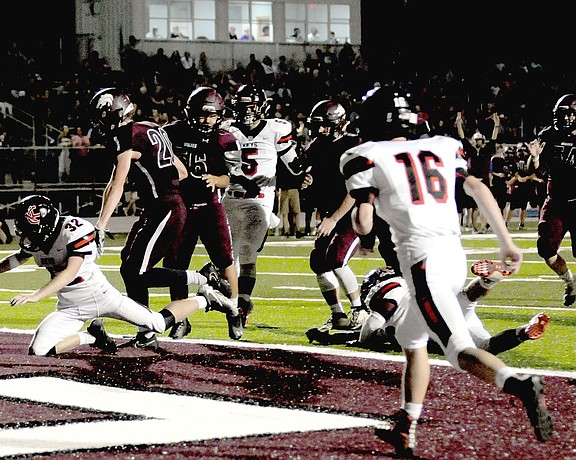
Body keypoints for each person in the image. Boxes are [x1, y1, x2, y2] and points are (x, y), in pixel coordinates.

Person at [340, 85, 553, 457]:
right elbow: (474, 186)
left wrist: (368, 202)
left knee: (458, 350)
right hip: (453, 255)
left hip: (423, 263)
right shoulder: (442, 145)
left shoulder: (365, 155)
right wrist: (506, 241)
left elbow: (362, 225)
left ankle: (517, 382)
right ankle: (407, 425)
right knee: (411, 338)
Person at [0, 195, 237, 357]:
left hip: (103, 298)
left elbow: (71, 271)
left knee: (155, 323)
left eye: (29, 228)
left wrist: (36, 295)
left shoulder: (74, 229)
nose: (25, 235)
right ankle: (95, 338)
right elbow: (16, 258)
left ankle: (206, 299)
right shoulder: (35, 239)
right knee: (40, 351)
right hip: (70, 307)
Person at [89, 88, 240, 349]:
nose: (100, 122)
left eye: (102, 116)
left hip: (163, 208)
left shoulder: (124, 135)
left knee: (136, 271)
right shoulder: (150, 127)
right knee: (130, 266)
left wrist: (101, 225)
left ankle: (204, 279)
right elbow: (180, 170)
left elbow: (118, 183)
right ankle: (145, 330)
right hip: (165, 206)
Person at [307, 261, 551, 354]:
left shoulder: (391, 289)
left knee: (466, 313)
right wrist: (332, 338)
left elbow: (369, 332)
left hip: (429, 319)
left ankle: (493, 284)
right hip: (439, 306)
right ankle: (524, 330)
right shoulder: (404, 284)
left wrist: (380, 336)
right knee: (472, 316)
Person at [223, 84, 311, 326]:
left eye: (250, 106)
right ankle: (235, 299)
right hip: (230, 198)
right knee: (227, 257)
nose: (247, 112)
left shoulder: (275, 129)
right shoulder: (227, 130)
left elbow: (293, 166)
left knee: (248, 253)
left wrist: (302, 174)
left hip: (260, 201)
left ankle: (241, 303)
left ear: (261, 107)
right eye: (242, 107)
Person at [161, 87, 242, 340]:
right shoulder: (171, 133)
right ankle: (181, 319)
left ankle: (235, 308)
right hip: (180, 208)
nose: (206, 120)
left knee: (225, 260)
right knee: (175, 265)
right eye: (201, 115)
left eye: (211, 115)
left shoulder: (225, 139)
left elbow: (231, 177)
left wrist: (216, 180)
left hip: (209, 207)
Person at [300, 100, 369, 334]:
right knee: (318, 261)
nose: (320, 131)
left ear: (339, 124)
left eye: (325, 126)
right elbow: (313, 185)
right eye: (317, 126)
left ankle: (359, 310)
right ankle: (337, 314)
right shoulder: (316, 148)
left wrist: (334, 219)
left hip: (355, 212)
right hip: (331, 213)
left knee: (336, 258)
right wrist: (307, 185)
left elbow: (355, 189)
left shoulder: (353, 146)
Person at [529, 93, 576, 306]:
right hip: (556, 201)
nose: (567, 118)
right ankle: (570, 282)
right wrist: (535, 157)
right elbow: (534, 169)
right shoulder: (548, 135)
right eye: (563, 114)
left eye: (571, 114)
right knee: (546, 251)